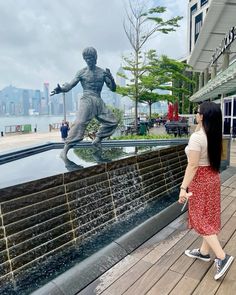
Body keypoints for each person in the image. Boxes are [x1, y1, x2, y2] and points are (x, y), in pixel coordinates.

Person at [178, 101, 234, 281]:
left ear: (202, 116)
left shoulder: (197, 138)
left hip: (200, 180)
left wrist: (183, 188)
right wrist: (199, 125)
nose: (196, 114)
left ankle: (222, 257)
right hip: (213, 177)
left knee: (199, 218)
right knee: (208, 214)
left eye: (198, 112)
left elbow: (193, 165)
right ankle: (203, 252)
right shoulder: (214, 134)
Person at [50, 47, 118, 159]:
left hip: (98, 100)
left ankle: (97, 139)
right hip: (86, 99)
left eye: (91, 58)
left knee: (113, 121)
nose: (89, 60)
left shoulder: (102, 73)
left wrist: (111, 78)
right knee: (80, 122)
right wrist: (61, 89)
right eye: (86, 59)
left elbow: (113, 89)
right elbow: (70, 85)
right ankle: (65, 149)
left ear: (96, 58)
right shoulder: (81, 72)